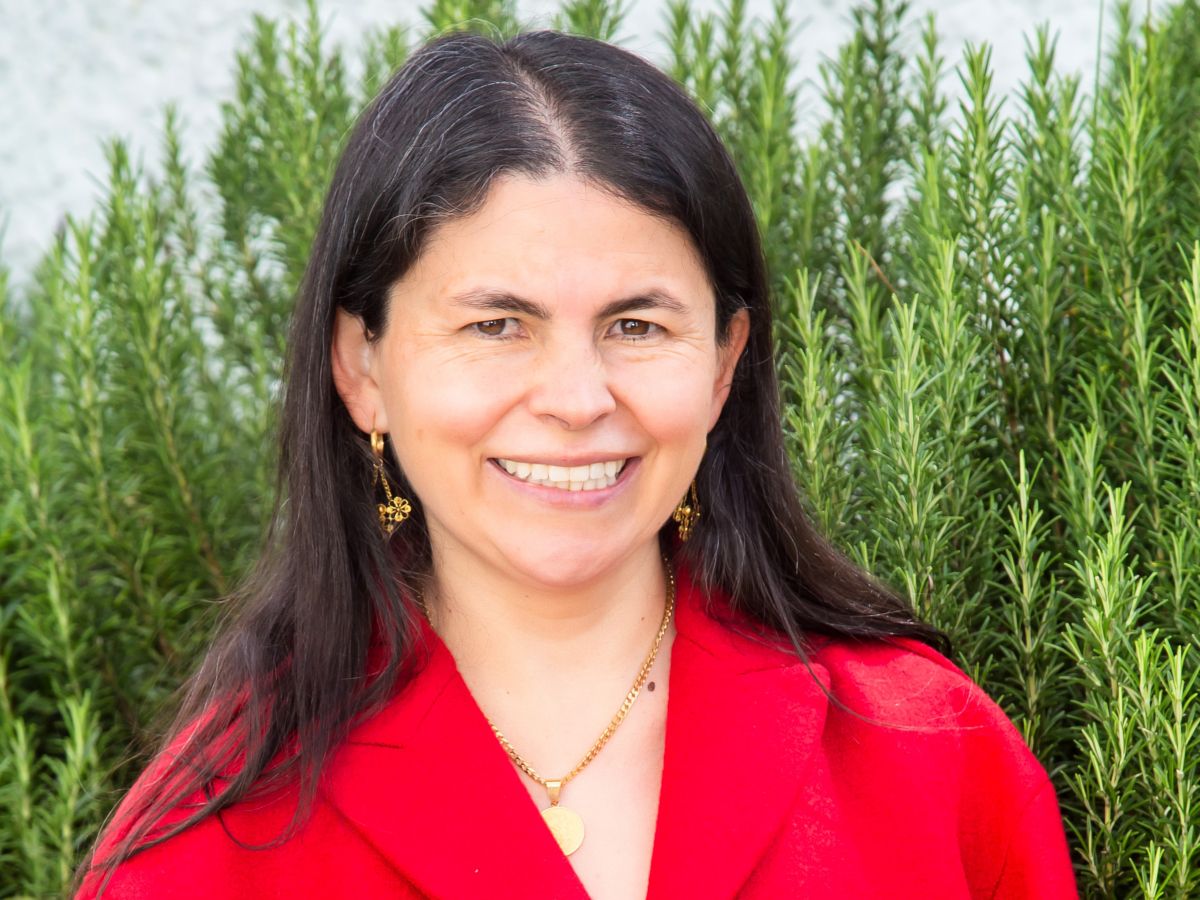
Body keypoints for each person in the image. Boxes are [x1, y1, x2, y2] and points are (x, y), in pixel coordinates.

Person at [79, 28, 1078, 900]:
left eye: (637, 325)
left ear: (725, 365)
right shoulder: (211, 840)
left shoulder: (930, 755)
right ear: (361, 367)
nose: (577, 398)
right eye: (498, 324)